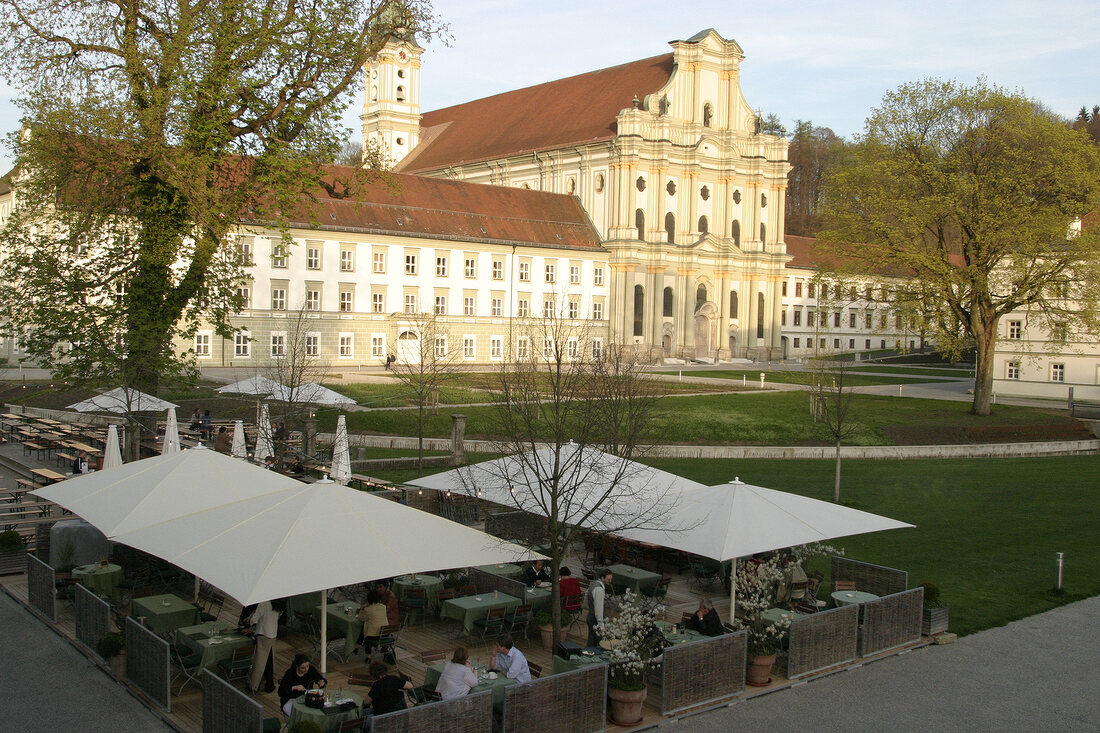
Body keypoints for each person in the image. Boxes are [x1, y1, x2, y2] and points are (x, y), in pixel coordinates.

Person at [247, 599, 279, 694]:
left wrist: (250, 620)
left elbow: (254, 619)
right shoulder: (277, 603)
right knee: (269, 661)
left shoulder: (264, 603)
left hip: (263, 634)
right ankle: (269, 684)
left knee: (259, 662)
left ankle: (254, 685)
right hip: (272, 634)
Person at [585, 568, 612, 647]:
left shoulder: (594, 584)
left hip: (590, 615)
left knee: (591, 640)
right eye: (608, 579)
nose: (610, 581)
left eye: (611, 579)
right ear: (602, 578)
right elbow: (598, 608)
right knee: (597, 644)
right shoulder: (599, 589)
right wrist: (601, 625)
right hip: (594, 619)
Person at [356, 589, 389, 655]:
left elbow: (360, 618)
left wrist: (362, 609)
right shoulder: (383, 607)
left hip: (373, 635)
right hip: (385, 634)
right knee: (366, 626)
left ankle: (367, 655)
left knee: (364, 629)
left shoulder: (368, 609)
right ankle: (357, 646)